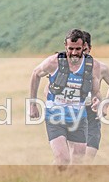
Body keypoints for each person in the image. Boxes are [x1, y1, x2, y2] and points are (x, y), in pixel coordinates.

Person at [29, 29, 101, 166]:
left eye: (78, 49)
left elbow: (95, 91)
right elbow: (35, 74)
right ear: (65, 46)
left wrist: (97, 101)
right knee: (63, 159)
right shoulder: (54, 62)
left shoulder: (92, 66)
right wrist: (32, 104)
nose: (74, 53)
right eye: (71, 49)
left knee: (78, 162)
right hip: (55, 117)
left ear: (84, 46)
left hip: (78, 118)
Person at [81, 31, 109, 163]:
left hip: (92, 115)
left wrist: (105, 105)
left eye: (85, 50)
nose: (82, 53)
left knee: (88, 158)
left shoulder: (101, 68)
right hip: (73, 115)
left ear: (90, 48)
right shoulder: (67, 67)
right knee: (69, 158)